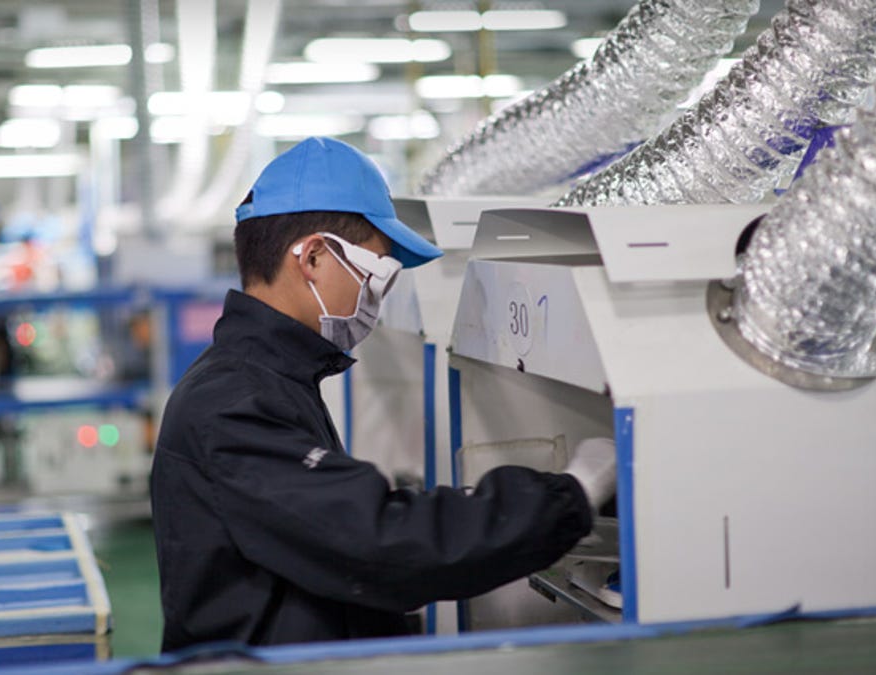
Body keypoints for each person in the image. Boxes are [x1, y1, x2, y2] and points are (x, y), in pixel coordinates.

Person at [151, 136, 617, 652]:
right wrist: (569, 495)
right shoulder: (232, 404)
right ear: (313, 257)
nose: (379, 298)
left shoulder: (270, 382)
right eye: (379, 274)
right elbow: (376, 540)